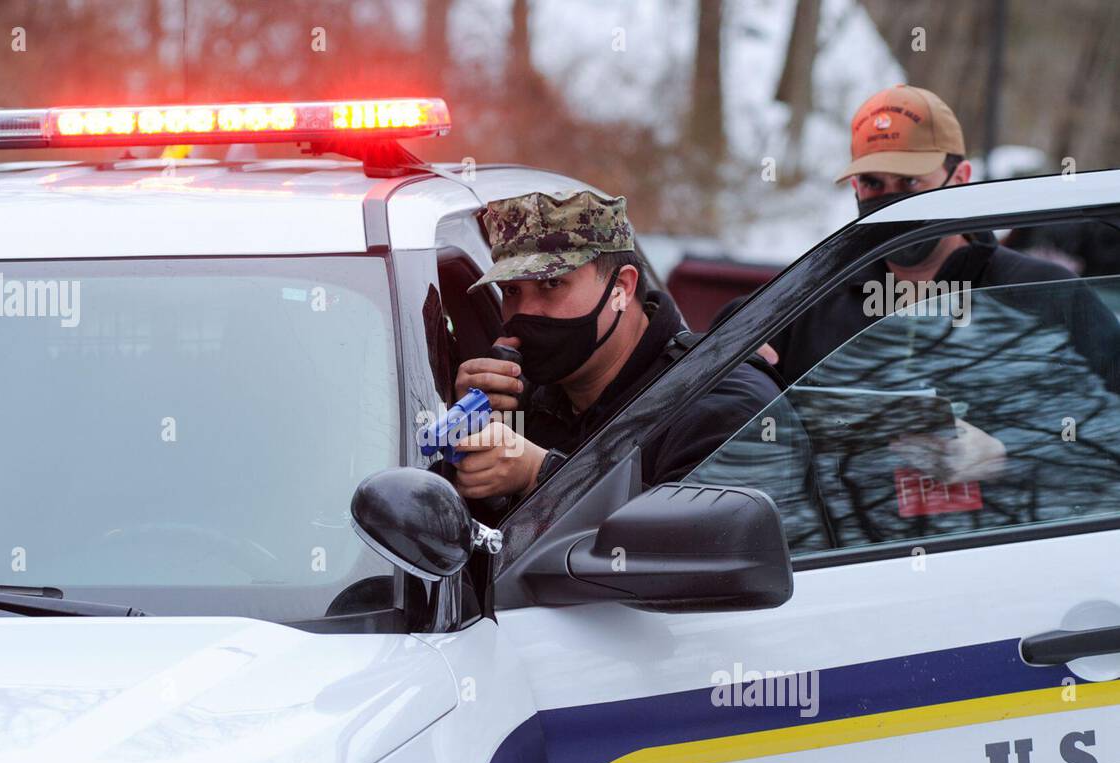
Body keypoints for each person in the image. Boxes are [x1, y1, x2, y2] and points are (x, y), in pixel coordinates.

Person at [755, 83, 1120, 394]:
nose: (890, 199)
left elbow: (1105, 416)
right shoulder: (811, 301)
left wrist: (1008, 453)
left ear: (959, 179)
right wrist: (751, 374)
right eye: (873, 183)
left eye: (910, 182)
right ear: (854, 186)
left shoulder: (1047, 295)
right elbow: (724, 369)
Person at [447, 189, 781, 502]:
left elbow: (690, 545)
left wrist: (542, 474)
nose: (525, 312)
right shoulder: (530, 397)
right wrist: (471, 427)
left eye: (552, 283)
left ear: (621, 289)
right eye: (511, 291)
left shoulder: (722, 402)